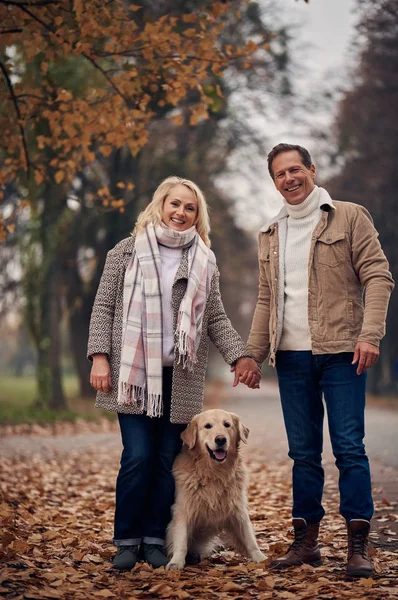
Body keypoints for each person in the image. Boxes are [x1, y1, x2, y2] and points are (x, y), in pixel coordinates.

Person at [234, 143, 394, 578]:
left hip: (343, 352)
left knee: (348, 448)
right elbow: (267, 298)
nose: (289, 179)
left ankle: (357, 548)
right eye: (280, 174)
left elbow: (378, 275)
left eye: (295, 169)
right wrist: (252, 353)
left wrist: (370, 334)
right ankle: (306, 543)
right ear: (274, 182)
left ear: (311, 170)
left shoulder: (349, 216)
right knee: (303, 454)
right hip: (291, 358)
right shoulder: (270, 233)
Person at [87, 176, 259, 571]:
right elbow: (103, 308)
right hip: (133, 378)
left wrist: (239, 357)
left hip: (178, 378)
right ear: (160, 205)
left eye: (190, 208)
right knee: (138, 456)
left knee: (167, 458)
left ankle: (154, 539)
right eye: (175, 204)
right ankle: (127, 540)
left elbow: (214, 317)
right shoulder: (125, 252)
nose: (181, 213)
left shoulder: (203, 260)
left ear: (198, 216)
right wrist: (99, 356)